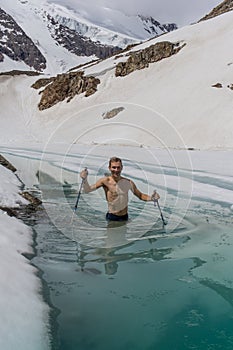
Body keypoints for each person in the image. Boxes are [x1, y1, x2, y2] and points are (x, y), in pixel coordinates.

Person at [80, 156, 160, 221]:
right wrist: (85, 179)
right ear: (109, 168)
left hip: (125, 217)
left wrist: (152, 198)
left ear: (122, 168)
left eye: (118, 167)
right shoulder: (105, 181)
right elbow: (87, 190)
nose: (116, 170)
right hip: (112, 217)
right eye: (114, 167)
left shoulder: (128, 182)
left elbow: (140, 195)